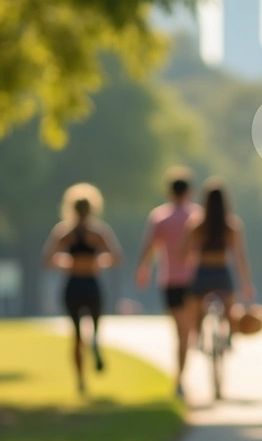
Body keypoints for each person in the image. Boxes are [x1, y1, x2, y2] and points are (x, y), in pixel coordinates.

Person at [42, 182, 124, 396]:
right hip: (90, 284)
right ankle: (94, 345)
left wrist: (68, 262)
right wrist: (95, 262)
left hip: (74, 285)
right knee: (93, 328)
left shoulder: (65, 232)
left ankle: (80, 380)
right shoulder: (97, 232)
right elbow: (116, 256)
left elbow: (47, 259)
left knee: (77, 336)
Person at [135, 166, 203, 399]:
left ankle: (180, 379)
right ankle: (182, 376)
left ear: (169, 192)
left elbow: (150, 247)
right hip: (194, 279)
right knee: (189, 332)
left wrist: (143, 268)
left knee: (180, 333)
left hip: (170, 281)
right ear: (189, 191)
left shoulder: (160, 217)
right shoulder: (197, 216)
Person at [180, 177, 255, 370]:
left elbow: (183, 252)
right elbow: (240, 258)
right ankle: (229, 339)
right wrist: (246, 284)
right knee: (230, 310)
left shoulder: (197, 225)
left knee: (196, 311)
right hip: (222, 273)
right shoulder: (231, 226)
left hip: (202, 272)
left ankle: (197, 339)